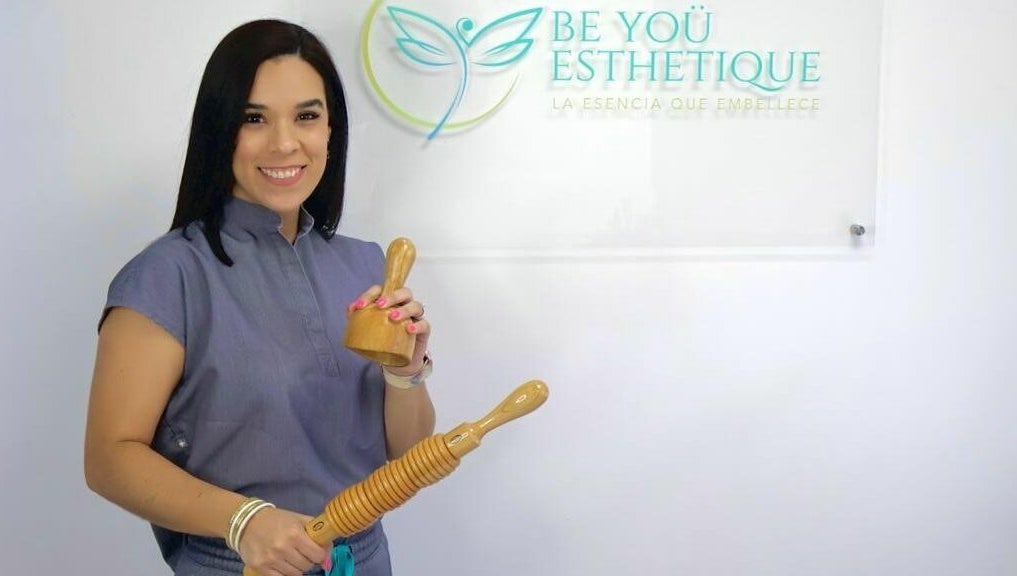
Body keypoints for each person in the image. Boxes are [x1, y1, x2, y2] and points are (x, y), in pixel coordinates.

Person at [84, 19, 436, 576]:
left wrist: (405, 373)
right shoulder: (167, 277)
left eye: (307, 116)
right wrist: (243, 520)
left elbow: (407, 454)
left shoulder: (366, 266)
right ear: (219, 129)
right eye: (254, 119)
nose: (285, 143)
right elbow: (110, 458)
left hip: (365, 561)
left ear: (331, 129)